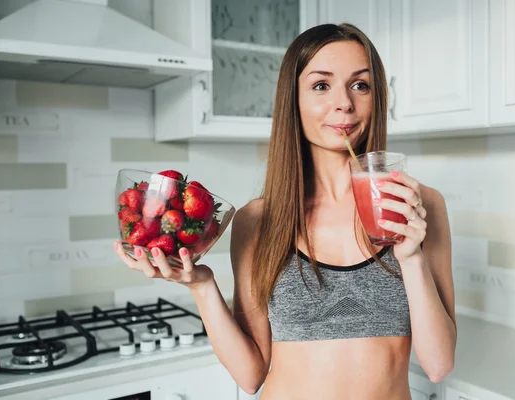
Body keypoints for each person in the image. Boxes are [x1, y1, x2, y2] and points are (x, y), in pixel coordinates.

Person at [115, 23, 456, 400]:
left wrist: (410, 258)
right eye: (321, 85)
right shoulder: (258, 220)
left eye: (361, 85)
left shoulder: (418, 207)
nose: (344, 102)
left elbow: (438, 364)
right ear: (292, 100)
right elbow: (250, 375)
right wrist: (201, 285)